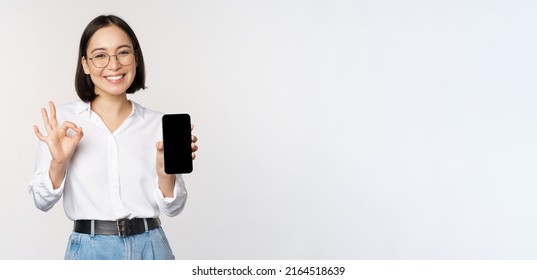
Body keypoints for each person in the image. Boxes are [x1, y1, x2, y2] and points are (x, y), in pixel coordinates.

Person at [28, 15, 198, 260]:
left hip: (151, 248)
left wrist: (165, 172)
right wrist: (58, 163)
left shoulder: (158, 124)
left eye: (123, 52)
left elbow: (174, 208)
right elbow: (41, 201)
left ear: (135, 58)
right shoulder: (64, 123)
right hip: (90, 250)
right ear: (85, 64)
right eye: (100, 55)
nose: (114, 65)